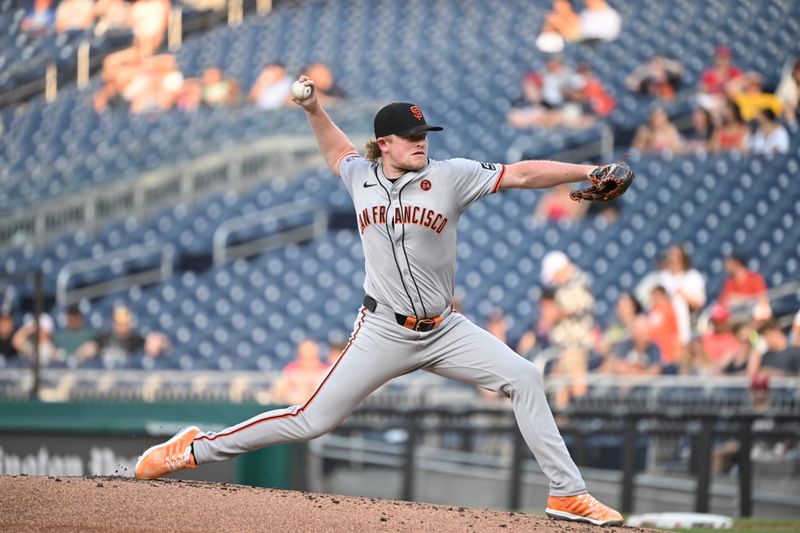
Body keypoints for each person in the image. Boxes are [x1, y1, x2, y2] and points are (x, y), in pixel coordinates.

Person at [134, 76, 626, 526]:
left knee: (524, 375)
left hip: (444, 329)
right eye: (412, 137)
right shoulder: (360, 176)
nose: (422, 143)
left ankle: (567, 493)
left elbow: (521, 173)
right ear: (385, 144)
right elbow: (337, 150)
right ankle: (194, 450)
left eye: (425, 135)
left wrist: (585, 168)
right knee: (310, 420)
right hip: (383, 329)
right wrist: (314, 111)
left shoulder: (450, 175)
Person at [540, 250, 596, 409]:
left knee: (576, 387)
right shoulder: (566, 285)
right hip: (564, 347)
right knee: (560, 388)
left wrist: (550, 310)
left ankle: (580, 427)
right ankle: (562, 426)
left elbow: (561, 311)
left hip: (575, 345)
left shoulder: (578, 282)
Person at [270, 340, 329, 405]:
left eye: (311, 358)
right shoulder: (291, 370)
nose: (308, 361)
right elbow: (278, 394)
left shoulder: (325, 371)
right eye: (305, 357)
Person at [647, 286, 680, 371]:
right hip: (655, 349)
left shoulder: (670, 309)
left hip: (668, 350)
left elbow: (675, 333)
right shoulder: (652, 310)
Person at [775, 57, 800, 128]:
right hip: (787, 112)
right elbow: (778, 99)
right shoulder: (788, 82)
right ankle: (794, 129)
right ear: (795, 71)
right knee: (788, 109)